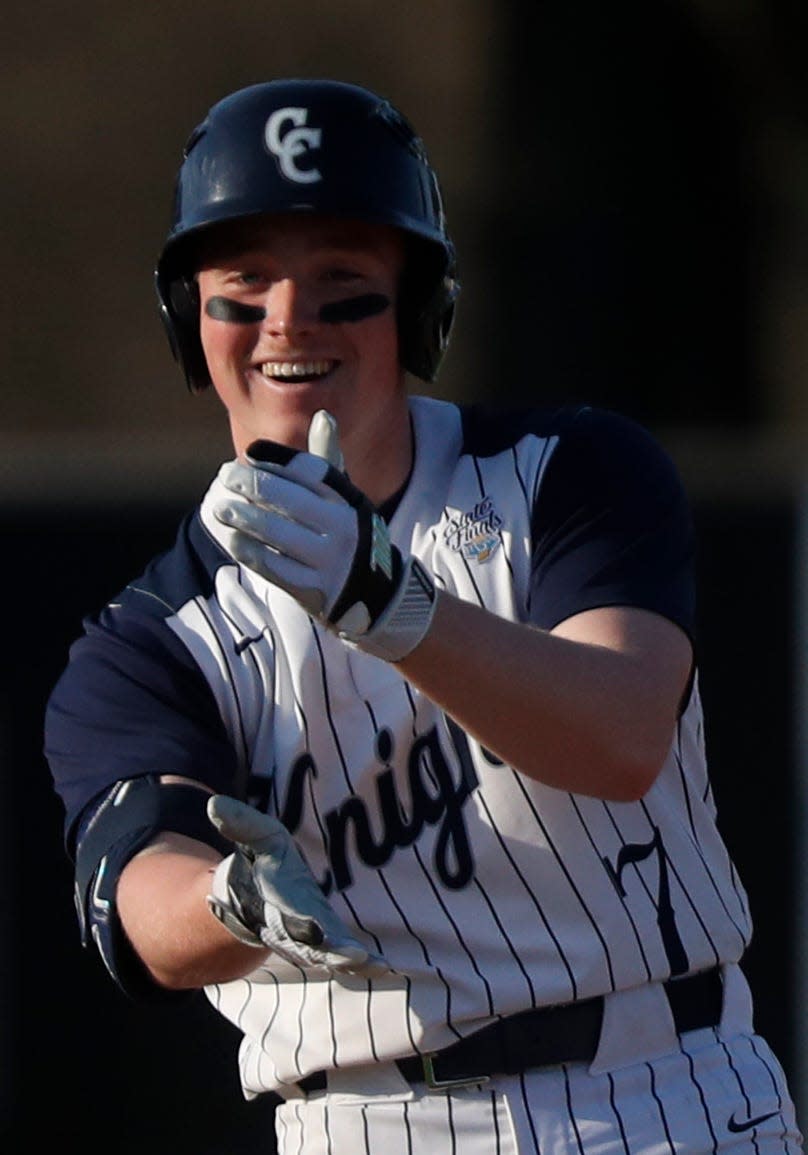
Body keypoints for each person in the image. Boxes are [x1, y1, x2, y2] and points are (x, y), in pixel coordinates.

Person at [44, 77, 803, 1155]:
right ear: (187, 318)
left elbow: (623, 730)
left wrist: (389, 608)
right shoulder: (156, 641)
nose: (288, 321)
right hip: (365, 1120)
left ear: (420, 310)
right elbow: (135, 900)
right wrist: (230, 903)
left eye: (342, 281)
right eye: (243, 284)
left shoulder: (565, 475)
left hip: (666, 1093)